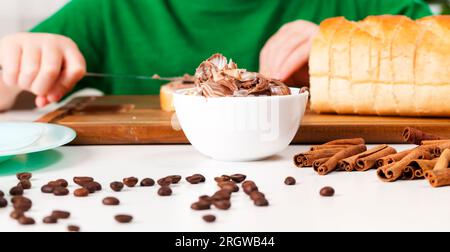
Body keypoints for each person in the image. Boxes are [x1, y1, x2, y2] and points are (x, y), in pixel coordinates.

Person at [0, 0, 432, 111]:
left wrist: (347, 46)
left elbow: (435, 46)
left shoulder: (354, 5)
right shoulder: (107, 9)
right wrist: (14, 59)